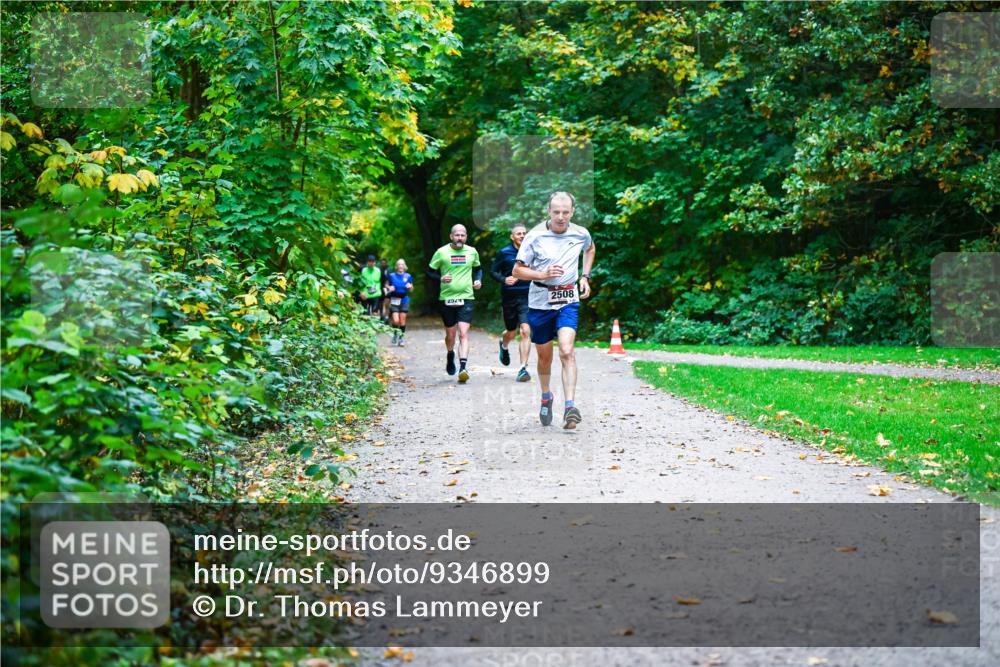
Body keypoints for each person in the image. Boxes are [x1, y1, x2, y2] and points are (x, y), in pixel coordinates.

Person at [512, 192, 595, 429]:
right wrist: (542, 274)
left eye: (565, 212)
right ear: (548, 211)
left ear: (573, 212)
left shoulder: (581, 233)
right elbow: (517, 271)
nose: (561, 217)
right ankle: (546, 395)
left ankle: (570, 407)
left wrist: (585, 276)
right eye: (556, 212)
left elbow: (590, 250)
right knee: (545, 358)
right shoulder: (535, 236)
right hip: (540, 301)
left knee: (567, 351)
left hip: (568, 299)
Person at [427, 224, 482, 383]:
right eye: (457, 235)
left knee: (463, 333)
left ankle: (463, 367)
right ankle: (450, 354)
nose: (460, 238)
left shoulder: (472, 251)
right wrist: (440, 278)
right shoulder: (441, 252)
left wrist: (478, 279)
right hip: (447, 298)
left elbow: (478, 269)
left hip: (466, 297)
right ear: (451, 236)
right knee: (450, 335)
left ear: (466, 236)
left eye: (463, 235)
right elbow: (429, 271)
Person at [490, 223, 532, 382]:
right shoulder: (504, 252)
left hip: (527, 296)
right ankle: (504, 345)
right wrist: (504, 279)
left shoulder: (531, 251)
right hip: (509, 297)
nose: (522, 235)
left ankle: (523, 368)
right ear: (512, 236)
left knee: (525, 330)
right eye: (519, 233)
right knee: (511, 332)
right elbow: (493, 271)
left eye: (524, 233)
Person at [385, 259, 413, 346]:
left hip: (404, 300)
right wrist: (389, 287)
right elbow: (386, 285)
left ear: (404, 266)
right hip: (394, 299)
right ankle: (395, 334)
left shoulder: (408, 276)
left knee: (402, 320)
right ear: (396, 266)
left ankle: (401, 338)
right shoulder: (392, 275)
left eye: (402, 264)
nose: (400, 266)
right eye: (399, 264)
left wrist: (410, 287)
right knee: (396, 321)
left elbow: (412, 289)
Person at [378, 259, 391, 323]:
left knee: (387, 303)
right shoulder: (378, 270)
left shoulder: (389, 270)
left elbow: (390, 279)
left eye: (384, 263)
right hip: (380, 288)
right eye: (382, 263)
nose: (383, 264)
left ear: (386, 263)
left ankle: (387, 316)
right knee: (380, 302)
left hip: (387, 289)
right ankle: (381, 315)